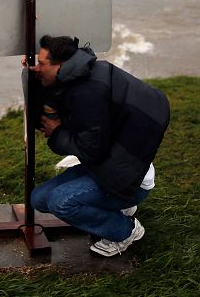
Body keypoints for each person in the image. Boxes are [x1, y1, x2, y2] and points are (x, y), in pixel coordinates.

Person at [25, 35, 170, 257]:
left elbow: (92, 149)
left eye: (42, 64)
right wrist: (35, 76)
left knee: (60, 203)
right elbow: (53, 98)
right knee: (39, 199)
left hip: (127, 178)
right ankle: (117, 207)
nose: (37, 68)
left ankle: (126, 231)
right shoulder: (81, 73)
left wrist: (57, 132)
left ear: (60, 65)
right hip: (110, 164)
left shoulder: (87, 94)